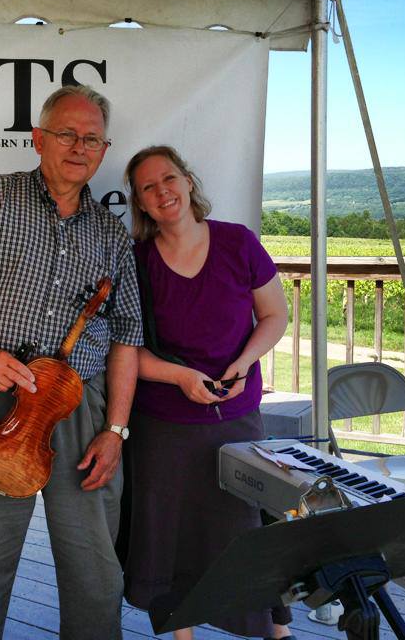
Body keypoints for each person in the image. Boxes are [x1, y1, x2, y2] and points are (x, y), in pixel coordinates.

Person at [0, 85, 143, 640]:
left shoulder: (111, 234)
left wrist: (114, 430)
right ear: (38, 138)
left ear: (104, 151)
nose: (78, 147)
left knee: (94, 572)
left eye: (91, 138)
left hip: (78, 409)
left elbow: (126, 338)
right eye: (67, 133)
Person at [121, 145, 292, 639]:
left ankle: (274, 630)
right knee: (170, 535)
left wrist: (243, 363)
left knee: (246, 527)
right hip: (164, 426)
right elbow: (127, 351)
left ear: (189, 181)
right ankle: (183, 633)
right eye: (148, 188)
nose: (162, 192)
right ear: (141, 203)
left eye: (168, 178)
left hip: (238, 418)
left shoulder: (238, 242)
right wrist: (180, 378)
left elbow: (275, 316)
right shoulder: (137, 262)